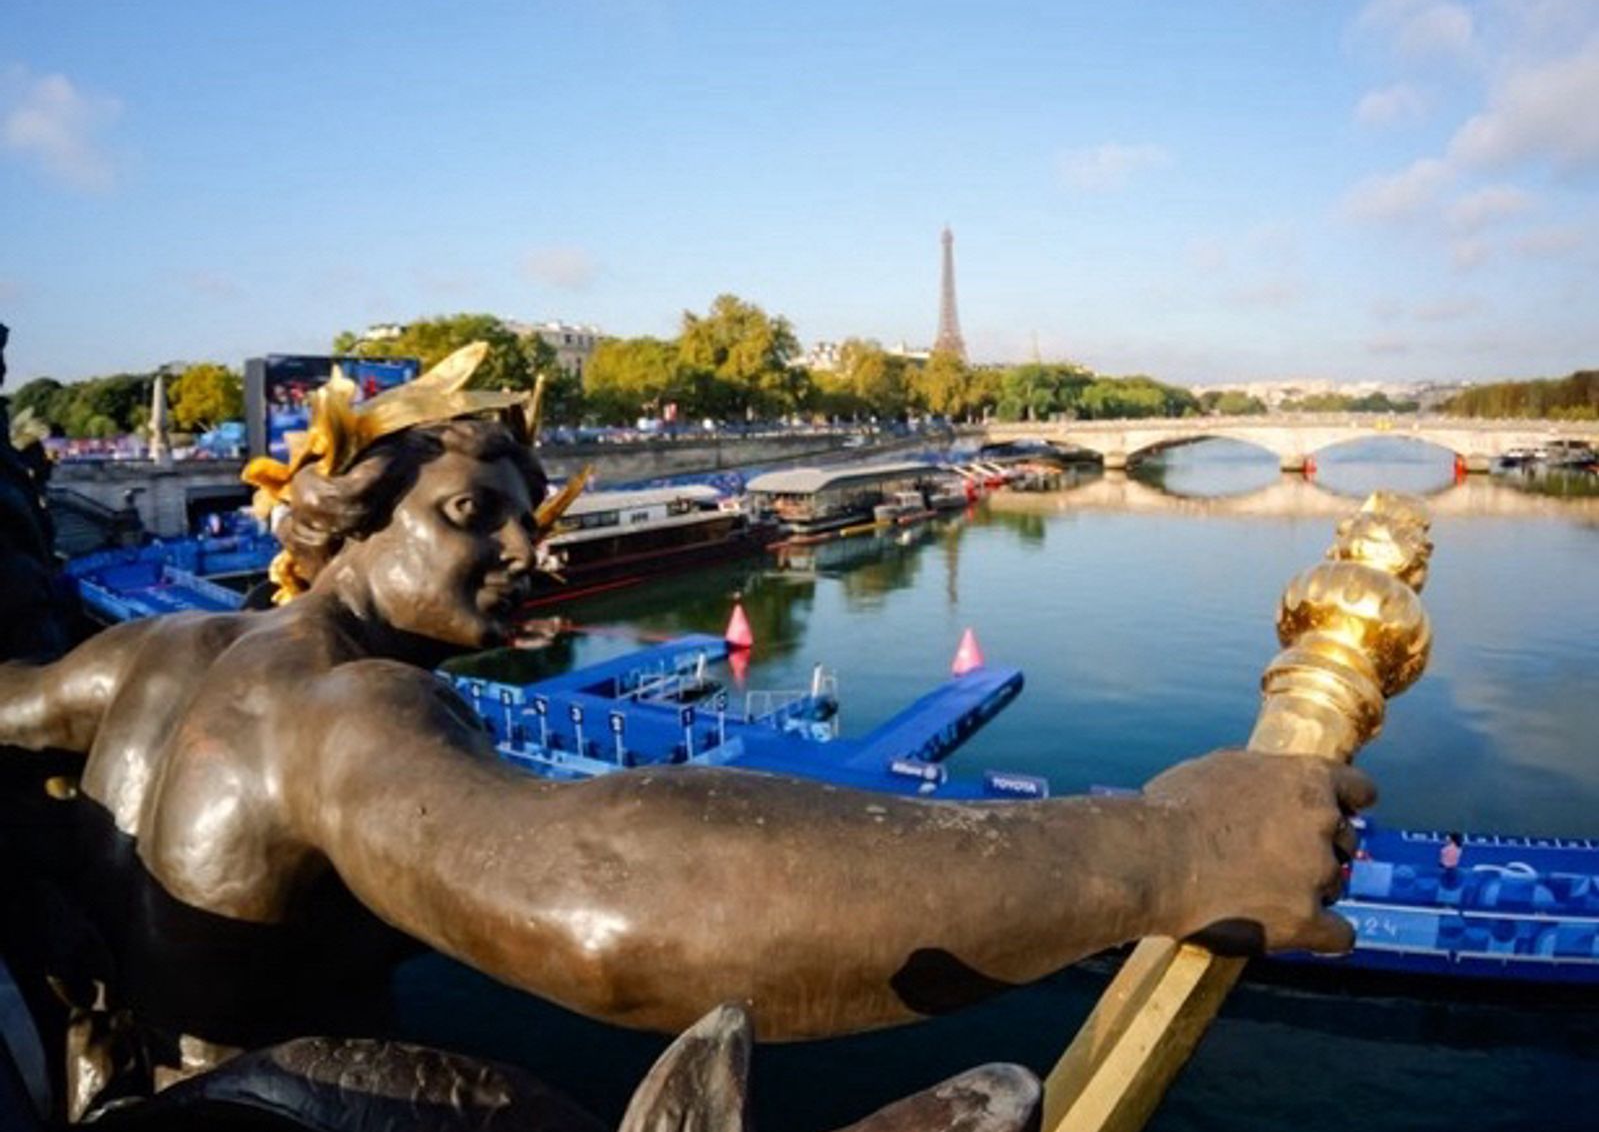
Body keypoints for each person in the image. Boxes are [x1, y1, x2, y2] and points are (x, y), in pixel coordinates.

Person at [0, 347, 1371, 1061]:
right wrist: (1169, 851)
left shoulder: (162, 655)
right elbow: (603, 901)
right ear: (350, 522)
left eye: (528, 527)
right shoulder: (345, 712)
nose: (525, 556)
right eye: (472, 515)